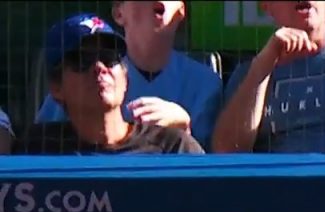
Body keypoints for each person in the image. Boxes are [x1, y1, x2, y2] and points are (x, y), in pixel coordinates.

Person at [35, 1, 223, 149]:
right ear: (119, 12)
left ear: (181, 10)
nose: (99, 67)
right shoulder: (78, 81)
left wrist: (184, 132)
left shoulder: (207, 82)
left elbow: (212, 169)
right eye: (82, 60)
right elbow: (43, 141)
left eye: (108, 57)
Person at [211, 0, 325, 153]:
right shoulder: (248, 75)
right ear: (266, 5)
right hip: (276, 186)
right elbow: (225, 151)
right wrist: (262, 68)